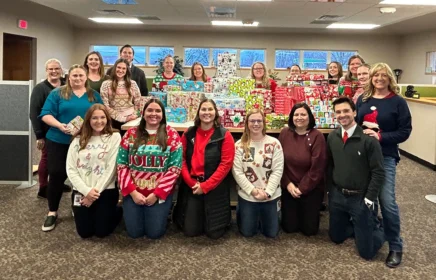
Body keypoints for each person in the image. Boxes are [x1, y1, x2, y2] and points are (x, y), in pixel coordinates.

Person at [356, 62, 412, 268]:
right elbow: (356, 124)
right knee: (370, 201)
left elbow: (405, 132)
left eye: (383, 75)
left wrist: (380, 136)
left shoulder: (397, 102)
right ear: (371, 78)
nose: (379, 79)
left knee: (387, 202)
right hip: (363, 157)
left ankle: (396, 246)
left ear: (390, 78)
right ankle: (373, 237)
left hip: (385, 157)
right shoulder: (363, 99)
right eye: (375, 75)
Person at [39, 64, 103, 232]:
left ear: (86, 77)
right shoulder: (57, 93)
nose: (78, 79)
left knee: (83, 175)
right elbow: (45, 114)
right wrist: (60, 126)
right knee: (57, 174)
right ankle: (52, 211)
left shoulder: (93, 95)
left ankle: (78, 207)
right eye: (74, 76)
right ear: (69, 77)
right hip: (59, 140)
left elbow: (102, 115)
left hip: (85, 142)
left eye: (81, 76)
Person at [327, 96, 385, 261]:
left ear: (354, 112)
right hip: (338, 195)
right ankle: (362, 225)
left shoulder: (369, 140)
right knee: (336, 238)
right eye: (338, 112)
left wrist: (370, 198)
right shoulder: (332, 137)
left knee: (367, 252)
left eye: (346, 111)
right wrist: (330, 191)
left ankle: (382, 227)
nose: (342, 115)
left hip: (361, 197)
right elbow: (330, 165)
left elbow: (378, 172)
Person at [117, 99, 182, 239]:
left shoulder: (172, 135)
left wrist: (157, 194)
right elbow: (122, 165)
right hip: (133, 191)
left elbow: (174, 168)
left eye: (158, 111)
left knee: (154, 233)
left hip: (158, 193)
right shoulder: (130, 134)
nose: (154, 114)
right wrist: (133, 193)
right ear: (143, 113)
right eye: (150, 110)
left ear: (163, 114)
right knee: (134, 233)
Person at [173, 99, 235, 239]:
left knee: (214, 233)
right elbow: (181, 159)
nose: (207, 113)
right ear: (198, 112)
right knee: (190, 231)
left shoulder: (225, 135)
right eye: (203, 109)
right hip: (192, 185)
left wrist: (206, 186)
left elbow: (225, 165)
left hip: (214, 187)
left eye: (210, 109)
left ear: (216, 113)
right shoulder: (189, 133)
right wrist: (191, 183)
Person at [66, 104, 122, 238]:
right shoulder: (78, 139)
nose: (99, 121)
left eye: (103, 117)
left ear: (108, 119)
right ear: (88, 120)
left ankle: (119, 210)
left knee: (102, 232)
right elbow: (71, 169)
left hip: (105, 190)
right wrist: (86, 191)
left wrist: (93, 194)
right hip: (82, 191)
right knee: (85, 233)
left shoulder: (114, 137)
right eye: (94, 118)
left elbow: (111, 168)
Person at [232, 109, 283, 238]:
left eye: (259, 121)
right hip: (248, 195)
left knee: (271, 233)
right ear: (247, 124)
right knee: (247, 233)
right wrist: (253, 191)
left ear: (264, 123)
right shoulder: (239, 145)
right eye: (252, 121)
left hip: (270, 195)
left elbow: (277, 170)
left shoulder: (274, 143)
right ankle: (244, 212)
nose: (256, 124)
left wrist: (268, 192)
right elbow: (237, 172)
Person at [278, 103, 326, 236]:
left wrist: (302, 188)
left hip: (311, 188)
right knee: (289, 227)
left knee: (309, 230)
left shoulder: (317, 136)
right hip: (289, 186)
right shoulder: (284, 133)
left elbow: (317, 168)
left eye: (303, 114)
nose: (299, 117)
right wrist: (287, 184)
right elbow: (278, 163)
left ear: (309, 117)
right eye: (296, 114)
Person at [30, 58, 70, 199]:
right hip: (48, 132)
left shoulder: (67, 85)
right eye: (51, 69)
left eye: (57, 69)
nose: (54, 71)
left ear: (61, 70)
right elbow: (34, 113)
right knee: (47, 159)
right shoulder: (40, 89)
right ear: (46, 71)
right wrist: (39, 135)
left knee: (62, 159)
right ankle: (43, 186)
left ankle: (58, 182)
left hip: (66, 130)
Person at [100, 58, 141, 135]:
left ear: (127, 70)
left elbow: (138, 103)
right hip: (113, 121)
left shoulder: (133, 84)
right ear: (114, 68)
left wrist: (134, 115)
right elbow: (105, 105)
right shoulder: (106, 84)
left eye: (124, 68)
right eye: (118, 67)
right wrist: (123, 119)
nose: (121, 70)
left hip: (131, 120)